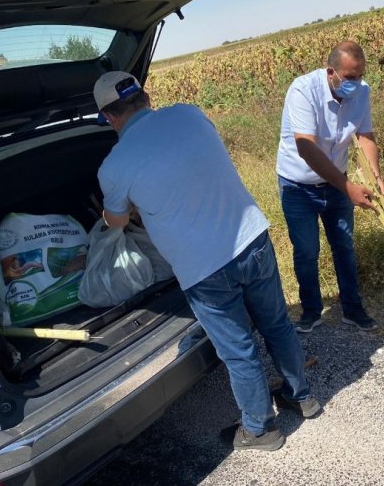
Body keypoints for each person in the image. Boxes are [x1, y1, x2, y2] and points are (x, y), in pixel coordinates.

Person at [93, 71, 320, 451]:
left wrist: (117, 212)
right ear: (145, 98)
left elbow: (116, 221)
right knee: (277, 324)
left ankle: (260, 429)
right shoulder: (189, 113)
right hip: (252, 238)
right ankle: (303, 397)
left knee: (238, 349)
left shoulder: (113, 167)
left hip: (205, 269)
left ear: (110, 118)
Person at [276, 41, 384, 333]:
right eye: (349, 77)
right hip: (298, 185)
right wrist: (347, 186)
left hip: (338, 182)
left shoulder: (362, 92)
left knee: (344, 247)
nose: (356, 83)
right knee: (307, 250)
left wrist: (374, 175)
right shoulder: (303, 91)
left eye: (360, 75)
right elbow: (307, 149)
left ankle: (353, 309)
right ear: (331, 72)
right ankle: (311, 311)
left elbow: (365, 134)